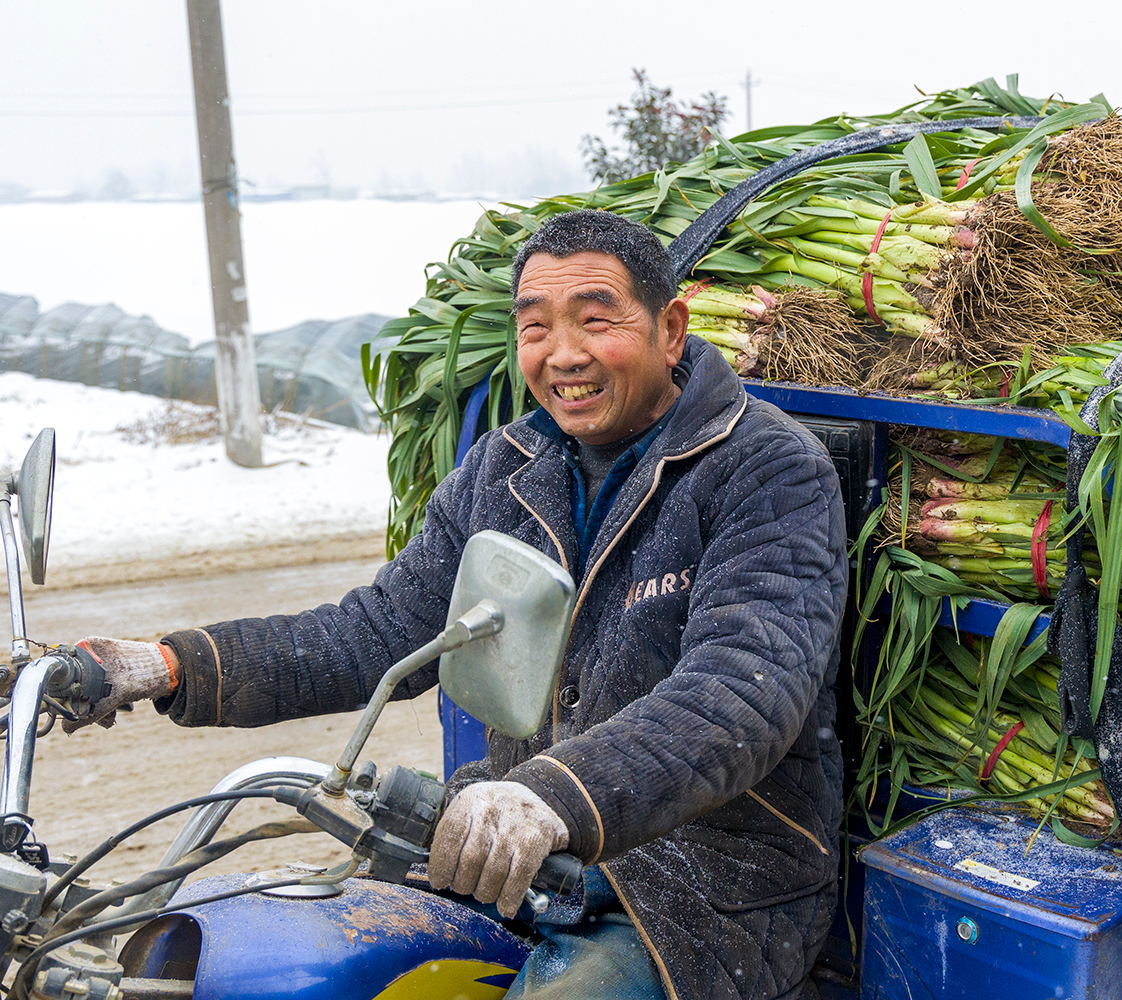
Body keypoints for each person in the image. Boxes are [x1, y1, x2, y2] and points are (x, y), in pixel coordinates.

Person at [71, 210, 849, 1000]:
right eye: (536, 327)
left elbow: (741, 692)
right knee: (291, 951)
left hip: (700, 877)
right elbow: (377, 632)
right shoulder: (506, 467)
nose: (564, 355)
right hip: (521, 857)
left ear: (670, 329)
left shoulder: (768, 468)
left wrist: (548, 797)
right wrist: (170, 665)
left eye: (594, 319)